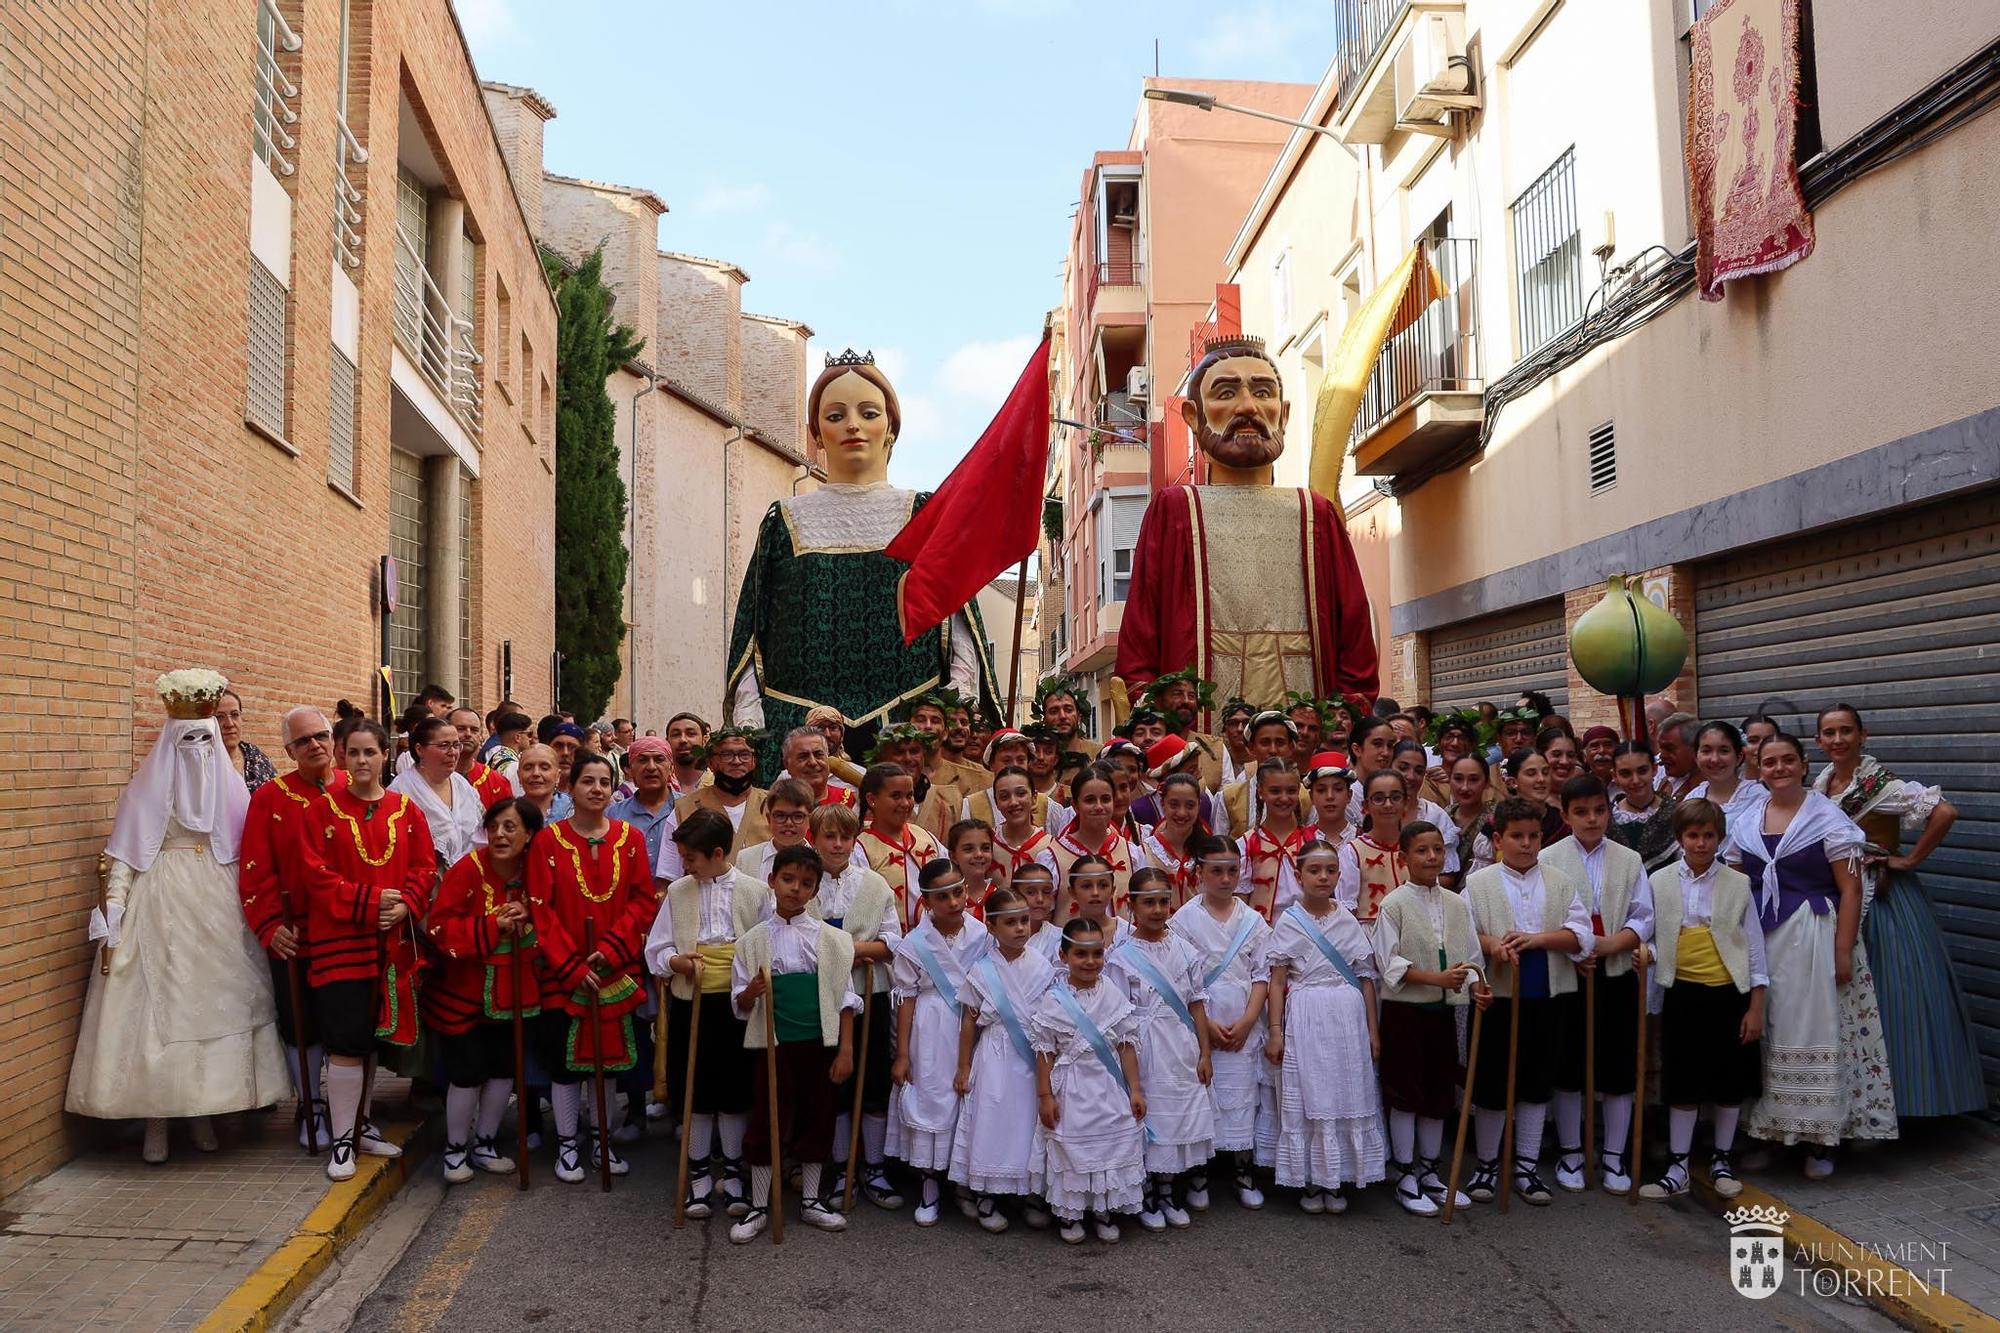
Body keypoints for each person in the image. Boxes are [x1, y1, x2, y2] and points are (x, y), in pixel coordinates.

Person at [728, 351, 999, 776]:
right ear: (816, 433)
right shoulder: (784, 521)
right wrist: (750, 718)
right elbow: (751, 631)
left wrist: (957, 695)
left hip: (906, 721)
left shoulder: (922, 514)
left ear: (890, 427)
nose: (852, 424)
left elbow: (956, 620)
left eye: (868, 412)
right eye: (835, 415)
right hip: (800, 726)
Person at [70, 675, 288, 1163]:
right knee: (157, 1013)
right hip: (161, 905)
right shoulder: (146, 792)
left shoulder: (233, 795)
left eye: (204, 739)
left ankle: (204, 1114)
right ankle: (157, 1122)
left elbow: (248, 855)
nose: (197, 750)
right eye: (187, 740)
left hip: (218, 906)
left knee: (215, 1005)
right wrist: (116, 910)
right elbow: (127, 851)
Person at [1116, 334, 1379, 722]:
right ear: (1193, 415)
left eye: (1262, 392)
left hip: (1303, 750)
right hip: (1202, 749)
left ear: (1283, 414)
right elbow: (1141, 634)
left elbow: (1354, 637)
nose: (1247, 406)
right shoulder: (1175, 510)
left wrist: (1343, 722)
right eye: (1225, 393)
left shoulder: (1315, 514)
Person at [1812, 703, 1983, 1118]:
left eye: (1846, 731)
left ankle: (1902, 1103)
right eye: (1829, 733)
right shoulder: (1824, 781)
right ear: (1819, 740)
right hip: (1838, 893)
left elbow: (1944, 812)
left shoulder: (1879, 783)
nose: (1838, 740)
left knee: (1892, 995)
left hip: (1881, 899)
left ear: (1863, 735)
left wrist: (1907, 860)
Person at [1738, 733, 1895, 1176]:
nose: (1780, 768)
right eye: (1770, 762)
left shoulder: (1828, 820)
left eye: (1788, 760)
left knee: (1810, 1031)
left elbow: (1850, 889)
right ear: (1758, 768)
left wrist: (1842, 951)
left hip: (1810, 937)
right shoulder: (1749, 819)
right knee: (1767, 1031)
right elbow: (1733, 882)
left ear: (1804, 765)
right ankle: (1771, 1132)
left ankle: (1819, 1141)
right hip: (1763, 940)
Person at [302, 719, 435, 1179]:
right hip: (340, 942)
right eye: (353, 753)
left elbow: (423, 866)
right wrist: (371, 902)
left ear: (385, 756)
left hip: (391, 942)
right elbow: (315, 875)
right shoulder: (320, 811)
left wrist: (404, 907)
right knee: (345, 1041)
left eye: (370, 753)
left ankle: (359, 1126)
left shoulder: (406, 810)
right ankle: (342, 1142)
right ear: (342, 757)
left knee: (372, 1036)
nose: (361, 761)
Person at [524, 753, 656, 1182]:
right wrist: (572, 964)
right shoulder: (547, 841)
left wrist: (613, 949)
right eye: (588, 781)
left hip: (614, 965)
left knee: (610, 1062)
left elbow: (641, 901)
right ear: (571, 786)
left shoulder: (630, 838)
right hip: (565, 971)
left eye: (604, 782)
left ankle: (602, 1141)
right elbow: (541, 910)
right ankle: (567, 1145)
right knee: (566, 1063)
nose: (597, 789)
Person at [1461, 798, 1593, 1207]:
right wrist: (1491, 945)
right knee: (1492, 1082)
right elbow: (1465, 935)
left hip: (1545, 994)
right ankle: (1486, 1163)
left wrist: (1537, 939)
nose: (1526, 844)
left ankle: (1526, 1164)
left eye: (1533, 836)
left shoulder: (1559, 881)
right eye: (1516, 836)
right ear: (1498, 839)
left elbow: (1580, 935)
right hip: (1496, 997)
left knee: (1536, 1083)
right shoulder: (1478, 885)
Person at [1637, 799, 1767, 1202]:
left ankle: (1721, 1159)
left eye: (1709, 835)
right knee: (1683, 1080)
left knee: (1728, 1080)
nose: (1701, 843)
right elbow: (1654, 936)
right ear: (1680, 838)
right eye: (1693, 835)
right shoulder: (1658, 881)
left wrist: (1756, 1006)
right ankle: (1678, 1166)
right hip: (1683, 994)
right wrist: (1645, 952)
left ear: (1719, 838)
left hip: (1729, 993)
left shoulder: (1736, 884)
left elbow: (1754, 948)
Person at [646, 808, 773, 1220]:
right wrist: (676, 962)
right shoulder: (679, 893)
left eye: (691, 858)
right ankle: (699, 1175)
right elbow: (656, 948)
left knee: (733, 1092)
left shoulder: (755, 892)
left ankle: (733, 1173)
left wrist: (754, 978)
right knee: (695, 1093)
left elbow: (766, 943)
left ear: (717, 853)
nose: (685, 866)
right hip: (691, 1002)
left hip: (737, 1005)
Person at [728, 844, 858, 1242]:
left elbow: (846, 999)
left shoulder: (832, 941)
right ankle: (760, 1205)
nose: (795, 889)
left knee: (817, 1118)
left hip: (818, 1046)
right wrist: (751, 991)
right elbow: (739, 1003)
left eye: (805, 883)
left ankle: (812, 1201)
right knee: (768, 1119)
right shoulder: (751, 942)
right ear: (771, 881)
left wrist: (846, 1050)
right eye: (787, 879)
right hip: (773, 1047)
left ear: (815, 890)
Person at [238, 706, 350, 1150]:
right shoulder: (269, 797)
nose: (314, 745)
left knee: (344, 1023)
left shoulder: (355, 787)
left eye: (320, 736)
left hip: (346, 930)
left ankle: (352, 1114)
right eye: (303, 741)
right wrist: (268, 926)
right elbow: (254, 868)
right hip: (294, 934)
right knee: (299, 1023)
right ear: (288, 750)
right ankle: (310, 1105)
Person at [1541, 775, 1651, 1195]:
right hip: (1569, 973)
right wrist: (1576, 948)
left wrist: (1611, 945)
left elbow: (1642, 915)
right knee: (1569, 1062)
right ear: (1566, 815)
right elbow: (1544, 911)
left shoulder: (1629, 859)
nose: (1592, 819)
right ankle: (1571, 1152)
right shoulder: (1548, 858)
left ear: (1610, 811)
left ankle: (1613, 1156)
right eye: (1581, 812)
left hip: (1616, 969)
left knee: (1618, 1064)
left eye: (1599, 810)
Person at [423, 798, 540, 1184]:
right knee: (467, 1072)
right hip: (462, 993)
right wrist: (493, 925)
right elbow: (440, 928)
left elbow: (551, 916)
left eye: (511, 827)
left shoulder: (535, 874)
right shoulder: (466, 870)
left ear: (529, 834)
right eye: (495, 827)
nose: (501, 835)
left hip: (513, 991)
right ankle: (455, 1150)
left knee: (504, 1069)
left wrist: (528, 916)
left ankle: (485, 1143)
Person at [1264, 840, 1385, 1213]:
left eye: (1330, 870)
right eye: (1314, 870)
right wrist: (1275, 1030)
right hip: (1306, 1015)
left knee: (1345, 1090)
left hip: (1346, 1018)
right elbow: (1277, 979)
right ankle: (1313, 1180)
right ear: (1298, 875)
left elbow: (1365, 977)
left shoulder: (1347, 918)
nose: (1323, 877)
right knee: (1309, 1092)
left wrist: (1372, 1031)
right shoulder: (1289, 920)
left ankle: (1339, 1179)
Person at [1373, 821, 1485, 1215]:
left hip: (1445, 1010)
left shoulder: (1457, 903)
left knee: (1438, 1090)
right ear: (1405, 857)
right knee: (1407, 1090)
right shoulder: (1394, 905)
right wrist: (1434, 977)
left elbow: (1472, 956)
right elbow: (1388, 963)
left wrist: (1476, 988)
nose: (1432, 857)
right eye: (1422, 850)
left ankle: (1430, 1169)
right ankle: (1404, 1171)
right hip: (1406, 1011)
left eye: (1437, 849)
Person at [804, 802, 903, 1208]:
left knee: (874, 1078)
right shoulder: (804, 883)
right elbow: (799, 939)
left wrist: (850, 949)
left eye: (846, 836)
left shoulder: (875, 885)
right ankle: (842, 1164)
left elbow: (892, 942)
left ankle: (874, 1167)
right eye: (830, 836)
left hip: (870, 993)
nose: (839, 844)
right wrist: (849, 950)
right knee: (835, 1081)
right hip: (822, 996)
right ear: (814, 839)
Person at [1107, 870, 1215, 1230]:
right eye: (1148, 902)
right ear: (1131, 904)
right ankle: (1147, 1190)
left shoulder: (1186, 951)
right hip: (1144, 1044)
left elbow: (1197, 1003)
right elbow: (1119, 1014)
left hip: (1180, 1043)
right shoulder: (1121, 957)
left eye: (1163, 901)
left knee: (1176, 1115)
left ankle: (1168, 1188)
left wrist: (1204, 1052)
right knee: (1147, 1113)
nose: (1157, 909)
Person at [1169, 835, 1272, 1210]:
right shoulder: (1183, 921)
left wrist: (1247, 1021)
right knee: (1204, 1093)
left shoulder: (1252, 920)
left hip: (1243, 1019)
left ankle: (1243, 1169)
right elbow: (1178, 979)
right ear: (1200, 873)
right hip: (1203, 1019)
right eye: (1216, 871)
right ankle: (1199, 1172)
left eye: (1232, 870)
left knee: (1243, 1094)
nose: (1225, 879)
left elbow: (1263, 974)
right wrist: (1206, 1025)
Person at [1031, 917, 1147, 1244]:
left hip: (1107, 1085)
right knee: (1071, 1146)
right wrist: (1045, 1096)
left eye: (1097, 953)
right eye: (1081, 954)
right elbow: (1044, 1050)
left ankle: (1103, 1208)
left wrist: (1135, 1089)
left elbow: (1126, 1046)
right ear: (1063, 956)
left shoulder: (1112, 993)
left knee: (1110, 1142)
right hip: (1071, 1085)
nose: (1090, 962)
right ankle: (1070, 1213)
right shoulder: (1053, 999)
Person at [888, 859, 991, 1225]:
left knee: (968, 1095)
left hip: (971, 1024)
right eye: (942, 896)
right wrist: (902, 1053)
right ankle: (930, 1184)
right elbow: (907, 997)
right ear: (927, 902)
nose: (953, 902)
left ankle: (966, 1182)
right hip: (929, 1029)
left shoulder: (981, 935)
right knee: (932, 1095)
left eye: (958, 892)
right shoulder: (915, 943)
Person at [949, 886, 1057, 1232]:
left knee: (1028, 1122)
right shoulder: (982, 970)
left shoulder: (1043, 967)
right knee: (992, 1119)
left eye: (1024, 921)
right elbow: (969, 1020)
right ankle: (986, 1193)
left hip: (1032, 1059)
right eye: (1011, 923)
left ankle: (1030, 1193)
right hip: (994, 1056)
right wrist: (964, 1066)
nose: (1021, 929)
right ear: (992, 927)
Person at [390, 715, 483, 870]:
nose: (452, 752)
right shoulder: (400, 792)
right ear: (419, 749)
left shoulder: (462, 785)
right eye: (444, 745)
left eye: (456, 745)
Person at [857, 762, 942, 928]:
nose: (905, 803)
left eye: (909, 796)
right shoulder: (861, 848)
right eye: (896, 796)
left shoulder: (926, 837)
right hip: (890, 945)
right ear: (872, 799)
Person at [673, 727, 769, 860]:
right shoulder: (684, 808)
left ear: (754, 762)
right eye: (727, 755)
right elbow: (668, 875)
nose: (736, 761)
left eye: (745, 755)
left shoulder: (774, 805)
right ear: (711, 763)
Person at [1050, 765, 1134, 916]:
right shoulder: (1053, 856)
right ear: (1075, 806)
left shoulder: (1132, 853)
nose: (1099, 806)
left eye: (1106, 799)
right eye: (1090, 800)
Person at [1336, 768, 1409, 927]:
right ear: (1365, 806)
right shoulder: (1353, 852)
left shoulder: (1415, 848)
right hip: (1370, 937)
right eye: (1378, 798)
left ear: (1405, 803)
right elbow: (1346, 912)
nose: (1388, 804)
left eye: (1395, 797)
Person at [1685, 721, 1766, 859]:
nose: (1715, 759)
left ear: (1739, 757)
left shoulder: (1759, 799)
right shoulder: (1692, 799)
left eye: (1724, 751)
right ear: (1696, 757)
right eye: (1706, 751)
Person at [1135, 773, 1205, 905]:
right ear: (1163, 804)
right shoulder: (1144, 853)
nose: (1181, 813)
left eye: (1190, 806)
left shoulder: (1208, 852)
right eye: (1174, 805)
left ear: (1199, 805)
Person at [1607, 742, 1677, 868]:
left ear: (1654, 769)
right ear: (1614, 776)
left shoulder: (1676, 814)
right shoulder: (1607, 818)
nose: (1635, 780)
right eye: (1625, 774)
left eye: (1642, 771)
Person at [984, 765, 1057, 882]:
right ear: (996, 803)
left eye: (1021, 794)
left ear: (1034, 797)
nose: (1013, 802)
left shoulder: (1051, 846)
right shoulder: (987, 844)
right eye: (1004, 796)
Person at [733, 778, 814, 882]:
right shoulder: (745, 859)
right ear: (769, 819)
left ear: (809, 820)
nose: (788, 823)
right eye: (780, 815)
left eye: (798, 816)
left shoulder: (821, 862)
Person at [1442, 754, 1496, 892]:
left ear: (1487, 782)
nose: (1465, 787)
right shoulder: (1441, 816)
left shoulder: (1497, 819)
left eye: (1473, 780)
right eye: (1458, 779)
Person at [214, 688, 276, 792]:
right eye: (219, 717)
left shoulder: (256, 757)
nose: (229, 724)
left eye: (235, 715)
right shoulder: (203, 763)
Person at [780, 726, 855, 809]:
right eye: (803, 756)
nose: (813, 762)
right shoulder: (777, 804)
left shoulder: (850, 801)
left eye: (818, 755)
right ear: (787, 764)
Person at [451, 708, 512, 809]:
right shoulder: (433, 778)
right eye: (461, 729)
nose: (468, 734)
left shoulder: (497, 782)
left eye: (474, 730)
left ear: (480, 736)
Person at [1066, 855, 1125, 951]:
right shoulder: (1064, 939)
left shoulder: (1128, 934)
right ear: (1072, 892)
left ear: (1112, 891)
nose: (1095, 893)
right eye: (1086, 886)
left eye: (1103, 885)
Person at [946, 817, 1003, 917]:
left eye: (985, 848)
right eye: (968, 849)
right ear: (953, 856)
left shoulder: (1002, 898)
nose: (979, 854)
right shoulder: (947, 902)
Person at [1036, 677, 1100, 761]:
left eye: (1069, 710)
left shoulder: (1098, 754)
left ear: (1078, 717)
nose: (1062, 716)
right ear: (1044, 720)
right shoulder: (1037, 759)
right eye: (1054, 711)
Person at [1301, 754, 1355, 847]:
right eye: (1321, 790)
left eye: (1338, 789)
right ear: (1311, 797)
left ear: (1349, 795)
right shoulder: (1300, 841)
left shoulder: (1362, 839)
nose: (1330, 796)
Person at [1015, 863, 1064, 963]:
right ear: (1015, 894)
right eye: (1031, 892)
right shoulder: (997, 937)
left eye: (1046, 892)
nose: (1040, 899)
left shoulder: (1060, 938)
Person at [515, 743, 571, 824]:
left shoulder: (574, 812)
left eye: (544, 768)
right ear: (519, 775)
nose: (536, 773)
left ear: (557, 776)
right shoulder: (509, 814)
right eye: (528, 768)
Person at [1655, 712, 1703, 801]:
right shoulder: (1665, 782)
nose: (1662, 755)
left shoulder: (1705, 788)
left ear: (1694, 748)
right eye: (1661, 748)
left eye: (1669, 748)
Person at [664, 713, 710, 797]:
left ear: (705, 740)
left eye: (691, 734)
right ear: (667, 742)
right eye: (676, 735)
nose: (683, 740)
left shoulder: (719, 783)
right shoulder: (659, 784)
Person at [484, 711, 534, 786]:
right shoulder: (514, 767)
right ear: (517, 737)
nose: (531, 739)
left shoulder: (493, 759)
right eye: (529, 734)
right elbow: (517, 795)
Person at [1217, 699, 1256, 787]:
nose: (1240, 729)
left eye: (1246, 723)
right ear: (1225, 730)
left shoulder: (1263, 764)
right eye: (1233, 723)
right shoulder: (1219, 766)